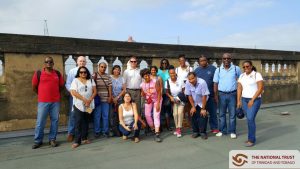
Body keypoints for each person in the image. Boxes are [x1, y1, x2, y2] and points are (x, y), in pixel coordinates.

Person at [31, 56, 64, 149]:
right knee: (40, 122)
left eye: (50, 62)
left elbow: (61, 86)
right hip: (43, 101)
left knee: (55, 121)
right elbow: (34, 87)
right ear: (44, 63)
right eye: (46, 62)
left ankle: (52, 139)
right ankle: (38, 141)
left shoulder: (57, 73)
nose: (48, 63)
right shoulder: (39, 73)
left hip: (55, 102)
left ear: (53, 63)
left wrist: (55, 94)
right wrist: (41, 94)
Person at [213, 53, 241, 139]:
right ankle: (222, 130)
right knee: (221, 114)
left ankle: (232, 131)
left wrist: (239, 97)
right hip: (221, 94)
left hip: (233, 94)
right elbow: (215, 83)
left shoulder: (236, 69)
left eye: (228, 58)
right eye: (224, 58)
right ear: (222, 59)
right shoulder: (218, 70)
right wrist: (216, 95)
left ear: (231, 59)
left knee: (232, 114)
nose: (226, 60)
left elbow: (240, 82)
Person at [237, 61, 264, 147]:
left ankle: (251, 140)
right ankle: (250, 138)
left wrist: (252, 100)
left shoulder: (257, 75)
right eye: (244, 67)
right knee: (249, 119)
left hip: (255, 100)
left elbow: (260, 88)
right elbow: (239, 89)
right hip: (244, 100)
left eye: (247, 66)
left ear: (251, 66)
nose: (246, 68)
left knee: (250, 119)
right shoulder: (242, 76)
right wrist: (238, 100)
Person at [70, 66, 97, 148]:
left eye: (85, 72)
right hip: (79, 104)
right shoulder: (75, 80)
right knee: (78, 122)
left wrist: (89, 100)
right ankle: (77, 141)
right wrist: (84, 99)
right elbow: (73, 92)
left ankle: (84, 138)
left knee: (86, 121)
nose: (83, 74)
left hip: (89, 104)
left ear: (87, 72)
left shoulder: (91, 80)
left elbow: (95, 91)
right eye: (81, 72)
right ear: (79, 73)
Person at [194, 55, 219, 134]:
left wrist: (216, 95)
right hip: (201, 97)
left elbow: (216, 82)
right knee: (201, 113)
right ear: (199, 62)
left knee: (213, 113)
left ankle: (214, 127)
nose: (203, 62)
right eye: (201, 61)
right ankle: (202, 129)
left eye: (204, 60)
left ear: (207, 60)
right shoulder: (196, 70)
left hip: (211, 95)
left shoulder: (213, 69)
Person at [65, 56, 86, 142]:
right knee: (73, 114)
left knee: (83, 115)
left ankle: (82, 134)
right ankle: (71, 133)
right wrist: (72, 92)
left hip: (84, 98)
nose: (82, 63)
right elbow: (68, 83)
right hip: (74, 96)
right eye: (80, 61)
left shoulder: (87, 72)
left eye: (83, 61)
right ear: (77, 62)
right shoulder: (72, 71)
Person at [185, 72, 210, 140]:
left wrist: (203, 108)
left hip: (203, 101)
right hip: (194, 102)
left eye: (192, 78)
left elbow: (204, 96)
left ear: (196, 77)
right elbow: (189, 95)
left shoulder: (202, 82)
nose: (191, 80)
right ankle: (195, 131)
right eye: (189, 79)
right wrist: (193, 107)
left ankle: (203, 132)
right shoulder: (187, 83)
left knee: (203, 116)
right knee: (193, 115)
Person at [140, 68, 162, 142]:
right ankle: (153, 128)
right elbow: (143, 93)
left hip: (157, 100)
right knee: (147, 115)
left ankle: (157, 133)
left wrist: (158, 103)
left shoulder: (155, 81)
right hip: (149, 100)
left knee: (156, 115)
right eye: (145, 76)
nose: (147, 77)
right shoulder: (142, 84)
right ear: (143, 77)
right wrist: (144, 96)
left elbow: (159, 93)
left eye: (148, 75)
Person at [93, 62, 112, 138]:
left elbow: (110, 87)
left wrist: (110, 96)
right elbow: (92, 86)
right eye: (102, 67)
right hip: (97, 99)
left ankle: (105, 131)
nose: (103, 68)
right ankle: (97, 131)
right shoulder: (94, 75)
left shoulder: (108, 76)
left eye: (104, 67)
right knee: (97, 116)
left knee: (105, 116)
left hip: (106, 98)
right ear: (98, 67)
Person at [165, 66, 185, 138]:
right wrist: (171, 98)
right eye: (170, 73)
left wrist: (179, 98)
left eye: (173, 73)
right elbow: (167, 92)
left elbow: (183, 90)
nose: (172, 75)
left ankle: (179, 129)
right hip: (173, 100)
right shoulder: (167, 81)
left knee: (180, 113)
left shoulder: (180, 80)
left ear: (175, 73)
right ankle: (177, 128)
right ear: (169, 74)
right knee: (175, 114)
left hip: (180, 99)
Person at [110, 65, 126, 136]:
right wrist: (113, 98)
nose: (117, 71)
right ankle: (113, 130)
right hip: (111, 99)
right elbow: (109, 88)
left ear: (120, 71)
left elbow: (124, 89)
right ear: (113, 70)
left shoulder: (122, 78)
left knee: (120, 115)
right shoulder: (110, 78)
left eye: (118, 69)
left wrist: (117, 97)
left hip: (119, 99)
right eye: (115, 69)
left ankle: (120, 130)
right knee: (112, 115)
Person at [157, 59, 172, 131]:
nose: (164, 64)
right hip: (159, 92)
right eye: (163, 63)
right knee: (160, 109)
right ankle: (160, 126)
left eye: (166, 63)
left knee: (167, 109)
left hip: (167, 92)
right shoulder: (158, 71)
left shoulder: (169, 71)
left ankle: (168, 125)